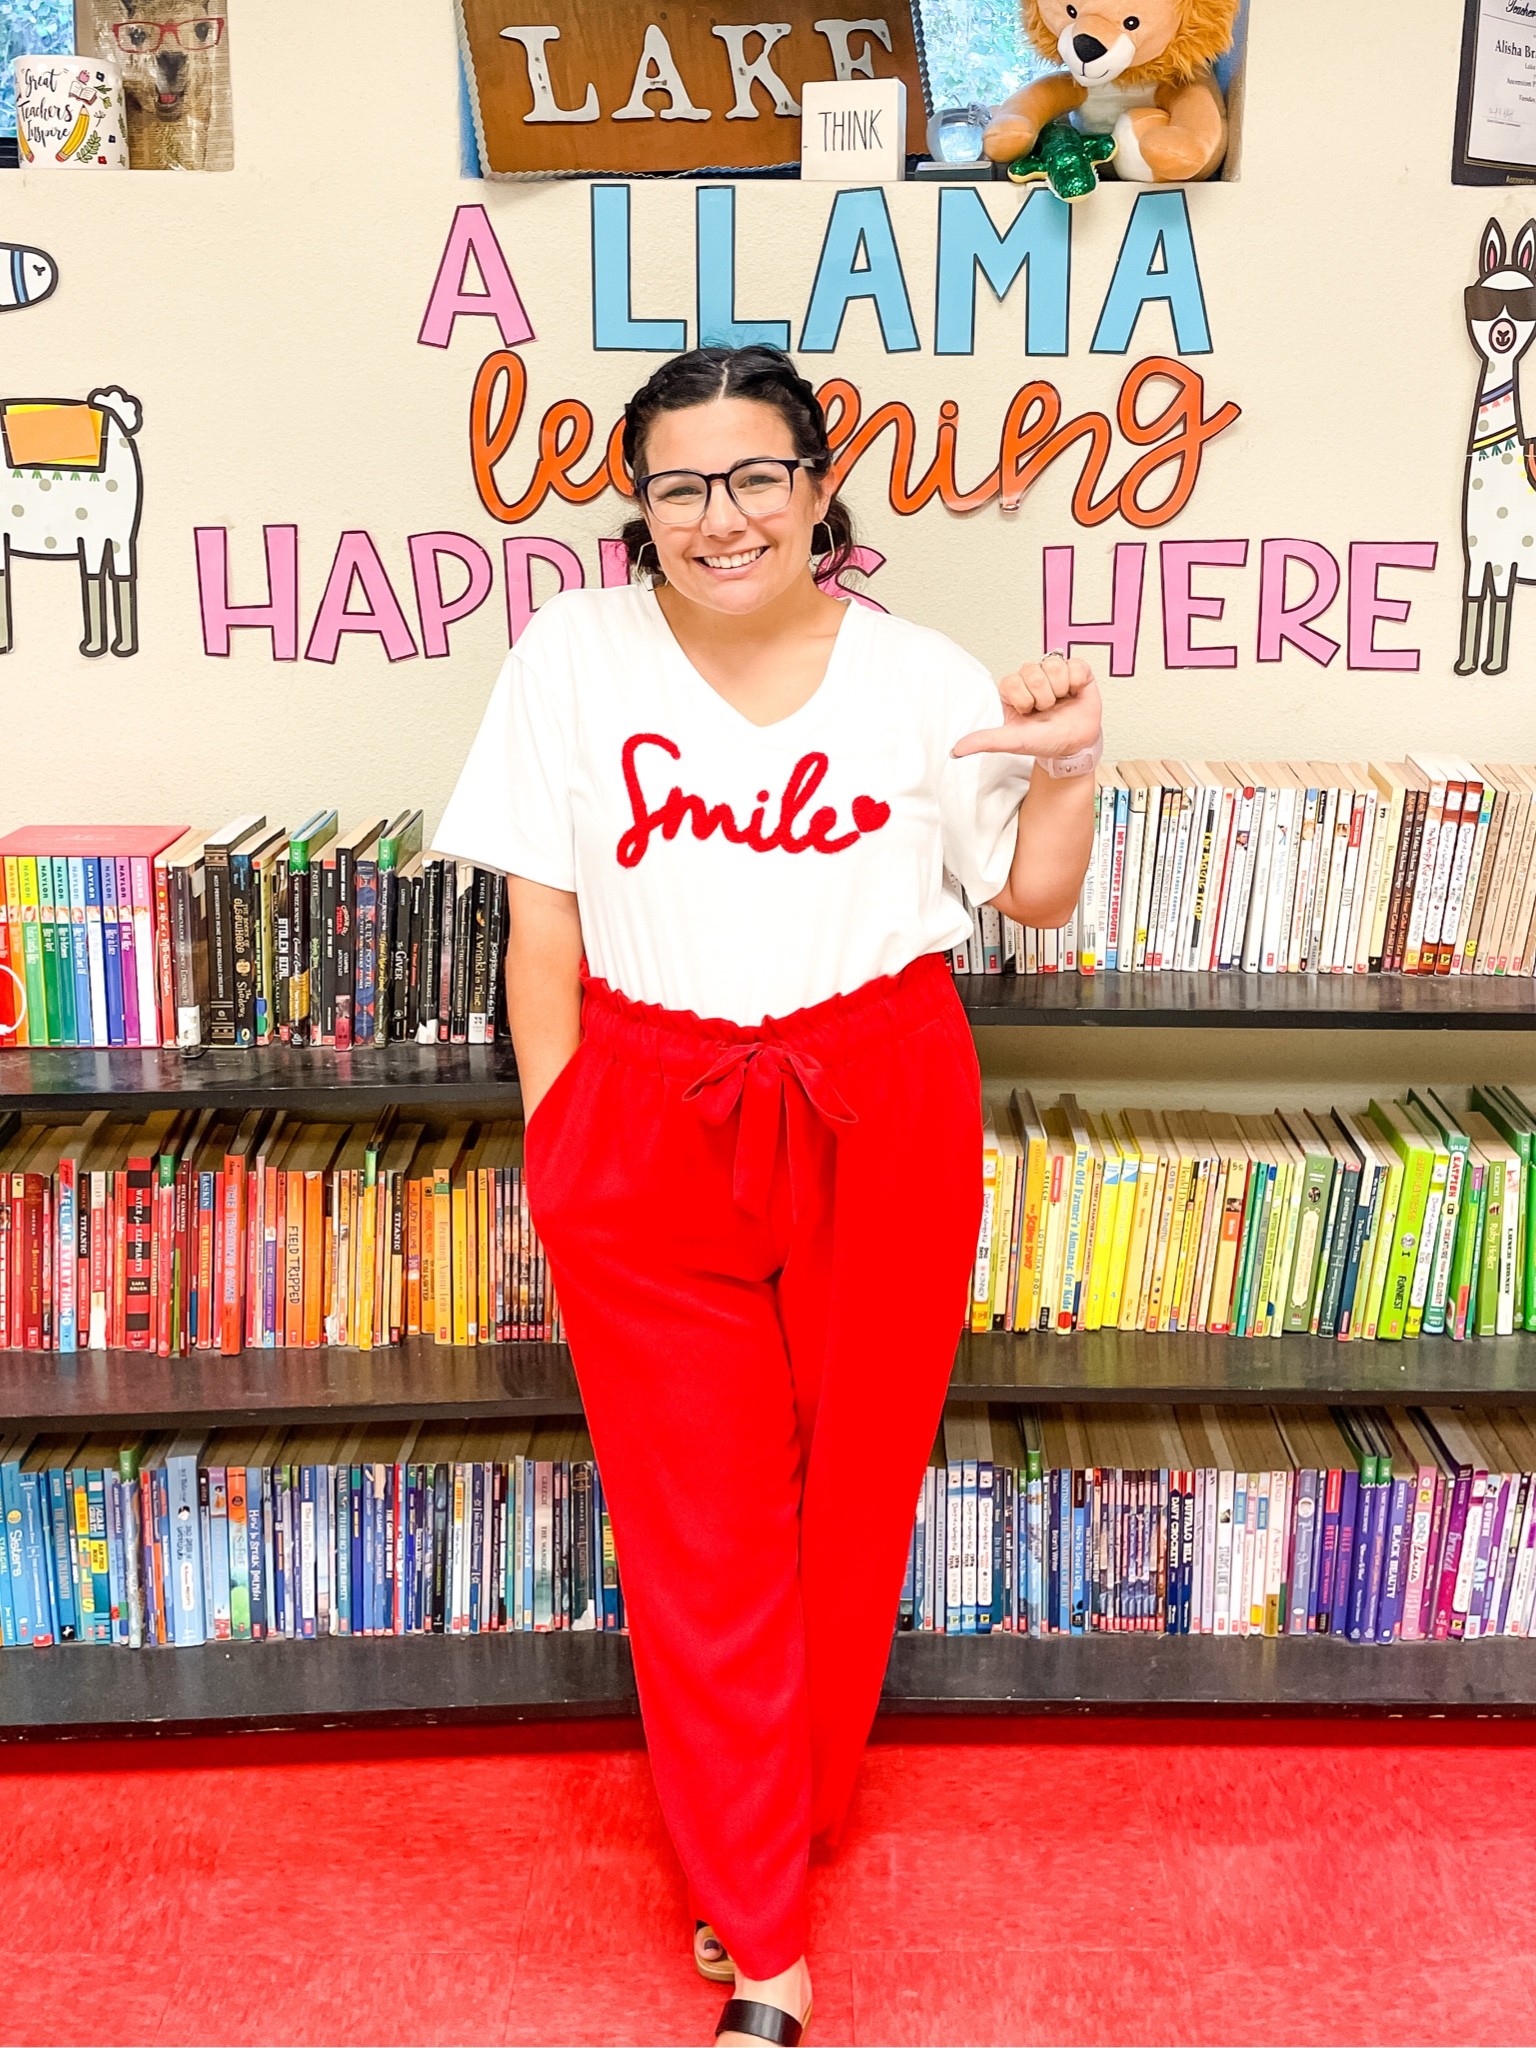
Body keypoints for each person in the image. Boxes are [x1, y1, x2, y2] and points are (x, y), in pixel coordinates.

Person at [433, 344, 1099, 2047]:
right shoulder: (571, 655)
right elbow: (543, 931)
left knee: (854, 1503)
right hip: (651, 1116)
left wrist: (1073, 767)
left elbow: (1028, 893)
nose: (719, 518)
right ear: (637, 511)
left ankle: (770, 1834)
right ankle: (766, 1942)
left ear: (817, 486)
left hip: (881, 1098)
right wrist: (564, 1143)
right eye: (678, 487)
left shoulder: (917, 674)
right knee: (700, 1532)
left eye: (753, 478)